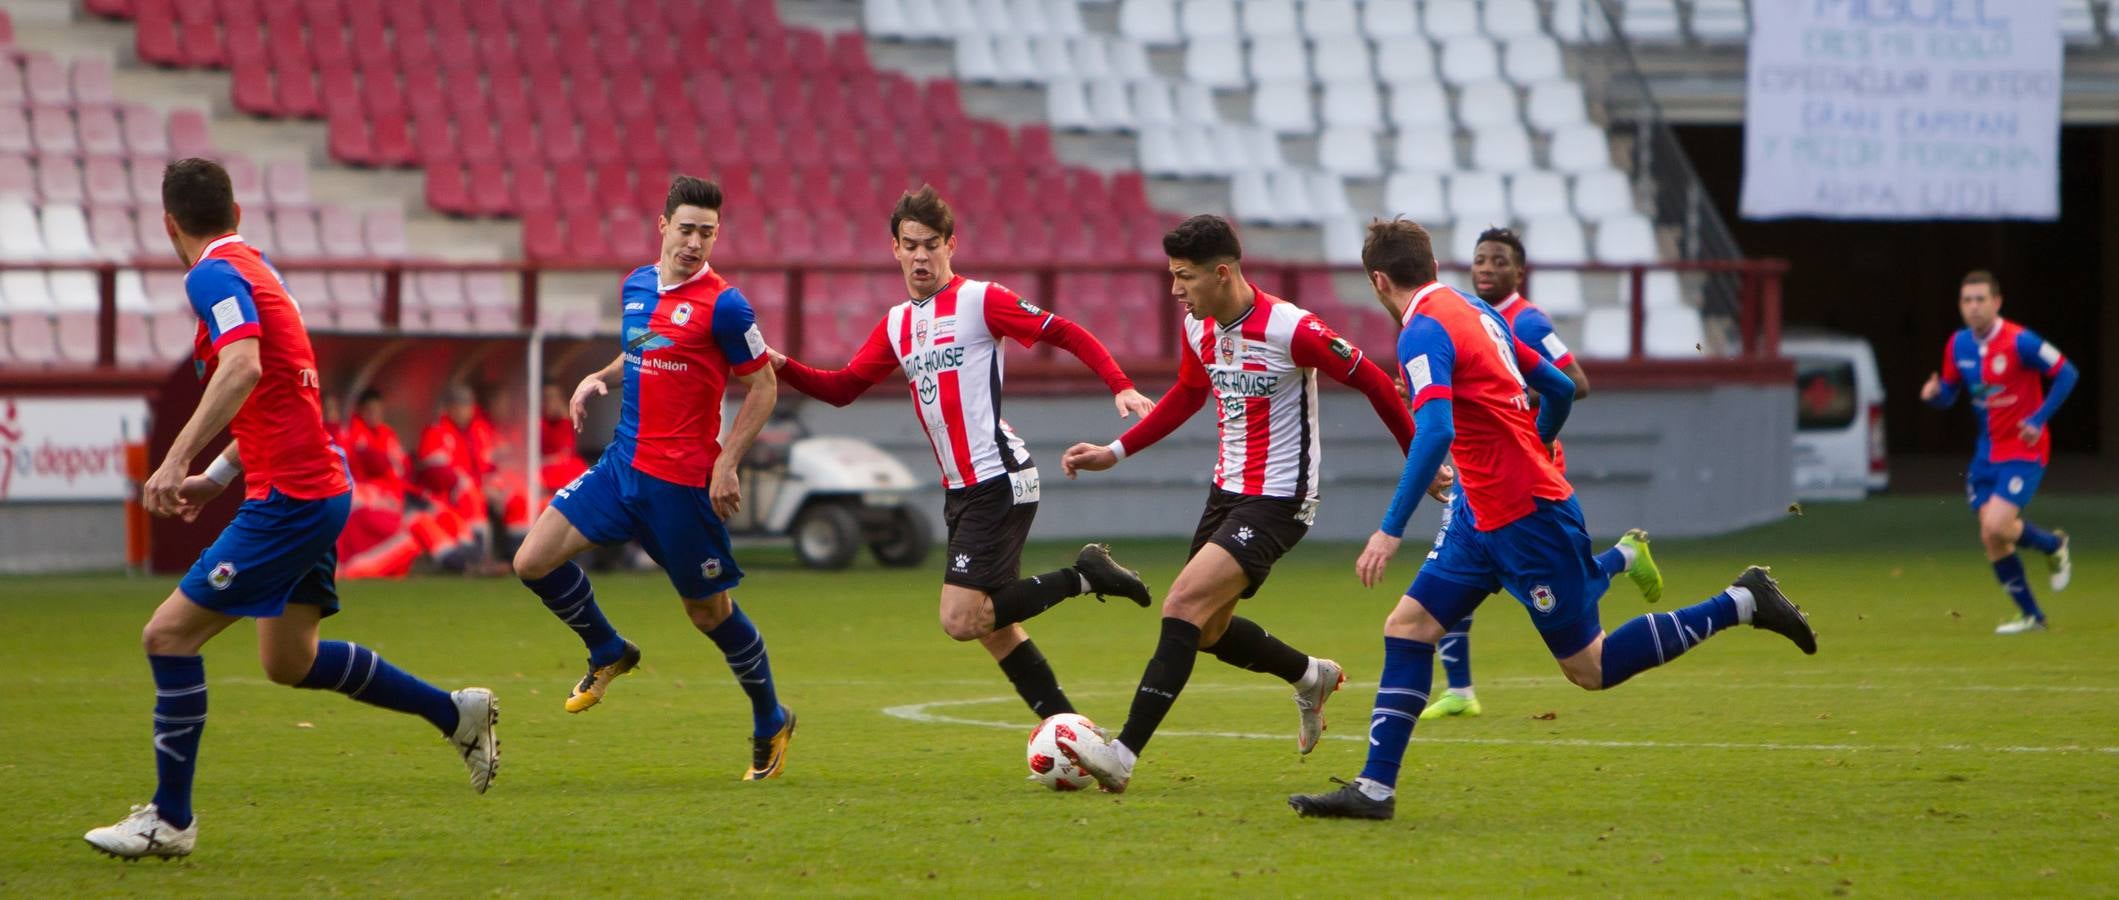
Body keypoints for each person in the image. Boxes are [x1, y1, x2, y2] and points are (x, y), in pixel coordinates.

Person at [1286, 218, 1817, 821]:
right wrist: (1530, 445)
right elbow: (1560, 388)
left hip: (1528, 519)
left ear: (1379, 280)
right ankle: (1374, 790)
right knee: (1407, 628)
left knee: (1589, 668)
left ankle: (1743, 601)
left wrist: (1389, 528)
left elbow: (1434, 430)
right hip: (1480, 517)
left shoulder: (1423, 331)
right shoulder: (1476, 312)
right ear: (1432, 267)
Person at [85, 158, 498, 860]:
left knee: (168, 637)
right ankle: (453, 712)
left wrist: (177, 459)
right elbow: (279, 395)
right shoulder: (258, 270)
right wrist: (218, 474)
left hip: (294, 499)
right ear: (238, 213)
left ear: (168, 225)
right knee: (288, 659)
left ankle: (171, 819)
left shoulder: (211, 275)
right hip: (313, 486)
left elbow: (242, 369)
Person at [1054, 214, 1422, 794]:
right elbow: (1187, 395)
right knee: (1205, 630)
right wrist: (1115, 451)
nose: (1174, 290)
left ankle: (1121, 754)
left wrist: (1418, 461)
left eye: (1184, 277)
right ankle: (1310, 676)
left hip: (1281, 498)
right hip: (1226, 493)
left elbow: (1375, 381)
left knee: (1180, 606)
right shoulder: (1198, 327)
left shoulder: (1291, 328)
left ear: (1222, 273)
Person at [769, 185, 1154, 721]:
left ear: (951, 244)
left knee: (959, 618)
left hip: (999, 476)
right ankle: (1068, 729)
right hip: (964, 488)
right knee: (992, 629)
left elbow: (1063, 331)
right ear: (895, 249)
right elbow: (842, 388)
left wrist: (1119, 384)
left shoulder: (982, 300)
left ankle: (1085, 576)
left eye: (932, 244)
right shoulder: (897, 324)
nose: (921, 255)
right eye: (911, 245)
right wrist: (779, 362)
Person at [508, 175, 797, 780]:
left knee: (709, 614)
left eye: (708, 233)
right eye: (687, 228)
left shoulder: (726, 305)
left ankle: (771, 719)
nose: (696, 242)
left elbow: (763, 386)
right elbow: (646, 342)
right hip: (621, 467)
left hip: (683, 487)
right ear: (663, 225)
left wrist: (726, 462)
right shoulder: (637, 284)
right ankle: (610, 649)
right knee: (531, 560)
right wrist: (601, 378)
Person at [1420, 227, 1662, 721]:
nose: (1487, 267)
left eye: (1499, 260)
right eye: (1480, 258)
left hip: (1523, 467)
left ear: (1518, 272)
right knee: (1447, 571)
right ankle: (1460, 688)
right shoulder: (1468, 317)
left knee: (1544, 596)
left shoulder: (1526, 323)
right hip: (1480, 466)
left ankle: (1621, 557)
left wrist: (1506, 405)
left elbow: (1575, 383)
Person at [1919, 270, 2076, 634]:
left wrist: (2038, 418)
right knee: (1992, 536)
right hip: (1986, 453)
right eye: (1967, 300)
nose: (1973, 307)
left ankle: (2054, 545)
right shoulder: (1958, 345)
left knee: (1996, 525)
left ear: (1997, 302)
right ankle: (2034, 615)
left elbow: (2067, 372)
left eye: (1980, 299)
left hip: (2025, 448)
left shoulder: (2022, 341)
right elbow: (1950, 392)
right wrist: (1934, 394)